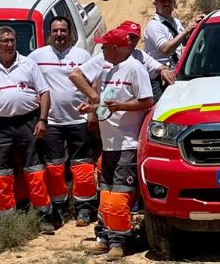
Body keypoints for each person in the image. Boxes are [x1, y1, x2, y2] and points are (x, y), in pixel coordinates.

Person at [73, 25, 156, 261]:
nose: (101, 50)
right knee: (106, 193)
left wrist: (121, 107)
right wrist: (91, 108)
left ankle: (119, 243)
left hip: (127, 144)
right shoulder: (109, 70)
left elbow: (146, 100)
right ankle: (105, 237)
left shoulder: (135, 69)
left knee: (120, 194)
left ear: (117, 48)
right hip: (109, 144)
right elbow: (107, 103)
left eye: (105, 47)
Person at [0, 26, 55, 233]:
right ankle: (6, 220)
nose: (10, 44)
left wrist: (42, 120)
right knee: (1, 173)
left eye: (12, 40)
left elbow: (44, 93)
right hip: (0, 125)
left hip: (29, 122)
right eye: (5, 41)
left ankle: (43, 217)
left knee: (35, 171)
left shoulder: (28, 64)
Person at [29, 16, 98, 227]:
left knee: (83, 166)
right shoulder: (36, 56)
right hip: (51, 121)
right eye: (55, 31)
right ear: (49, 34)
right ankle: (58, 207)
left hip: (78, 119)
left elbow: (93, 83)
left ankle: (84, 208)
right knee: (54, 167)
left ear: (70, 33)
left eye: (63, 31)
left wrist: (92, 114)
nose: (59, 34)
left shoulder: (82, 55)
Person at [143, 0, 202, 97]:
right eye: (162, 1)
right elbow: (165, 49)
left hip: (176, 73)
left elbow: (184, 42)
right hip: (160, 78)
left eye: (169, 1)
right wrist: (185, 31)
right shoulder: (154, 26)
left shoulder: (176, 22)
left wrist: (195, 26)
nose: (166, 4)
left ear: (174, 3)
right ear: (155, 4)